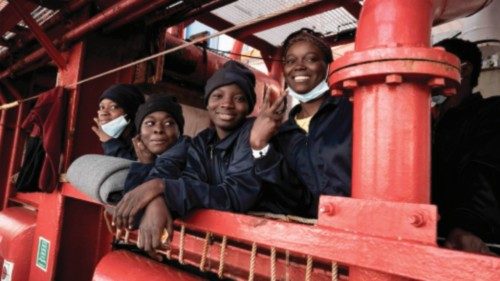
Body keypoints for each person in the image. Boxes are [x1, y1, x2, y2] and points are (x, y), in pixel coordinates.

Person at [113, 60, 262, 254]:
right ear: (207, 102)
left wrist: (160, 187)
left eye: (239, 98)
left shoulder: (251, 132)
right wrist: (156, 197)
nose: (226, 104)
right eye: (218, 95)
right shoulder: (203, 141)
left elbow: (236, 195)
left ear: (249, 107)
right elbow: (189, 181)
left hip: (256, 240)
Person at [250, 28, 353, 217]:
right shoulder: (283, 134)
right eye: (290, 61)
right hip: (308, 236)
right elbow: (292, 198)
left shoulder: (351, 113)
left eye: (311, 59)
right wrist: (260, 147)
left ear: (328, 67)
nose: (299, 66)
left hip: (359, 230)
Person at [432, 38, 500, 255]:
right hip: (427, 234)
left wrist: (469, 224)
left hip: (468, 240)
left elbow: (484, 171)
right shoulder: (428, 120)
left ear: (465, 69)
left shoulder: (490, 113)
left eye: (436, 62)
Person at [92, 84, 145, 160]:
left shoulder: (145, 141)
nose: (103, 113)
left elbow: (128, 168)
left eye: (113, 107)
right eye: (102, 107)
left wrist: (109, 143)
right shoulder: (116, 139)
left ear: (130, 111)